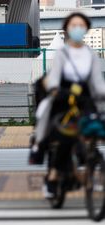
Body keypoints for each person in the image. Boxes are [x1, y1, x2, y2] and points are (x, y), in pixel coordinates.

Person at [30, 13, 105, 197]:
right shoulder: (62, 53)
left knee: (93, 127)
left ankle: (89, 166)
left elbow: (97, 82)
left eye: (81, 25)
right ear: (67, 29)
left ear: (86, 28)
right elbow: (54, 78)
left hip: (85, 97)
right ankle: (53, 175)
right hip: (63, 97)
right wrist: (56, 90)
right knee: (63, 133)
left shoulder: (91, 54)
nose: (77, 28)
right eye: (74, 25)